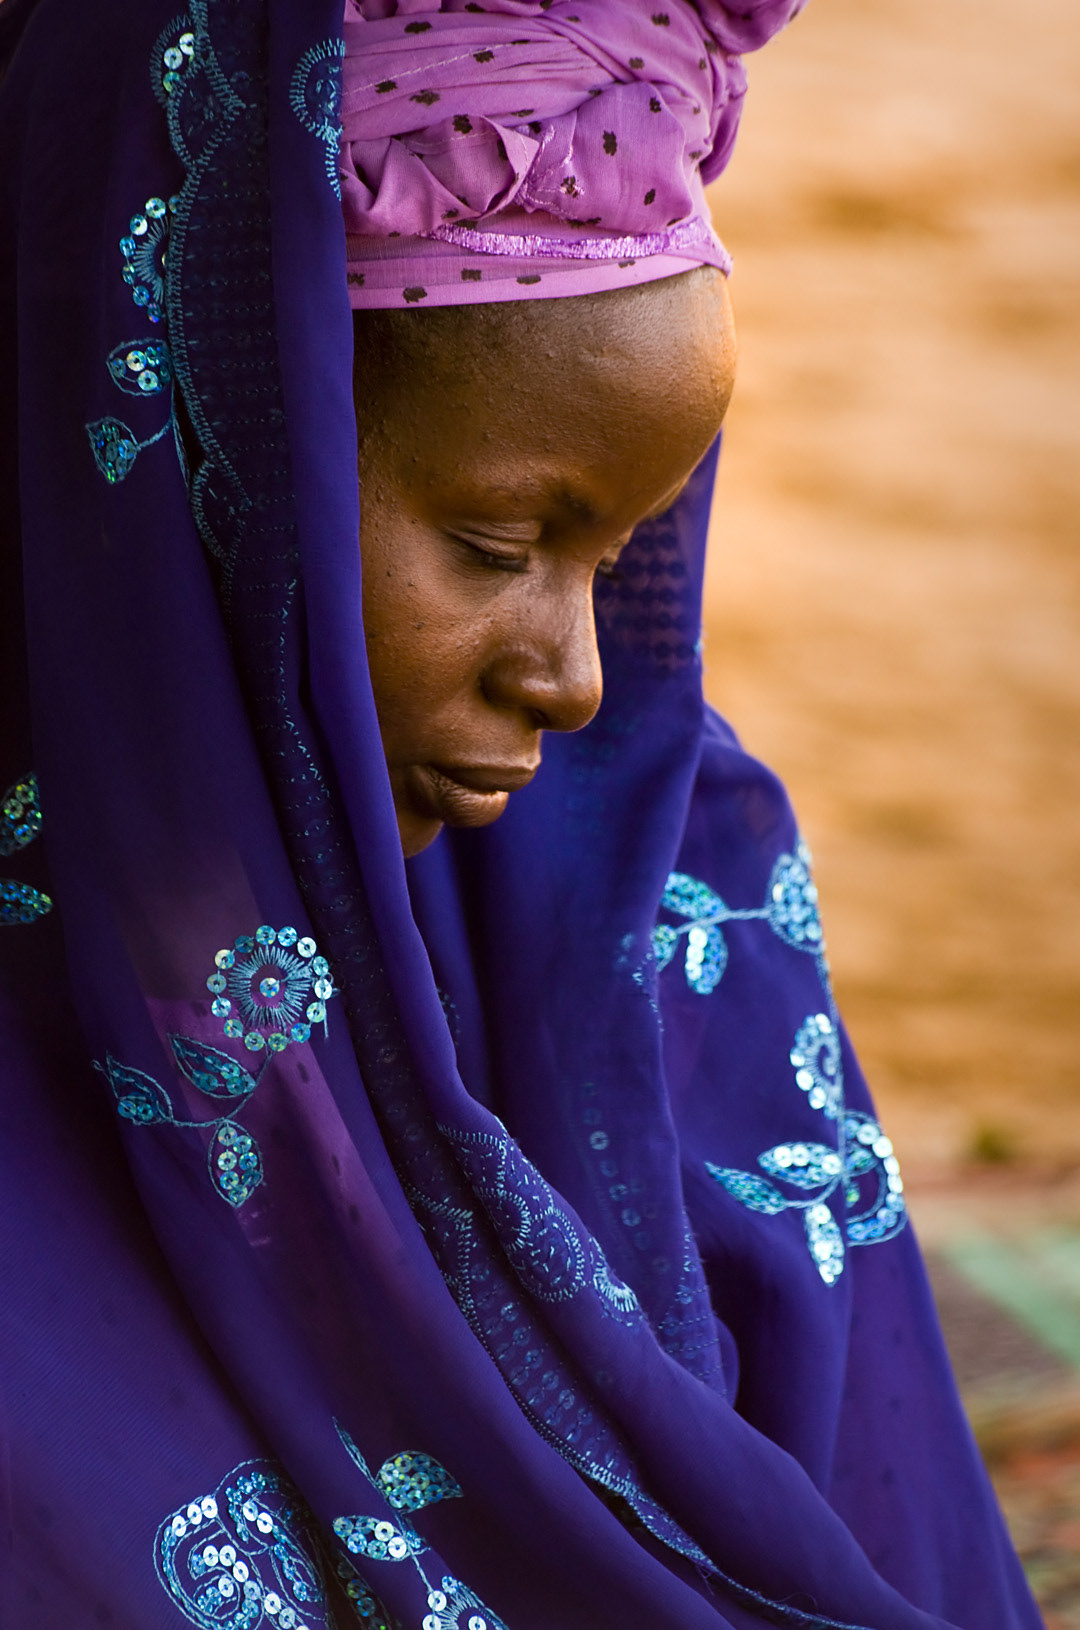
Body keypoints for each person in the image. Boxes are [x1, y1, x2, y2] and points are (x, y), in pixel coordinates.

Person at [0, 1, 1042, 1627]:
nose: (575, 682)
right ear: (206, 439)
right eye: (497, 547)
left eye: (616, 562)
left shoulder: (663, 889)